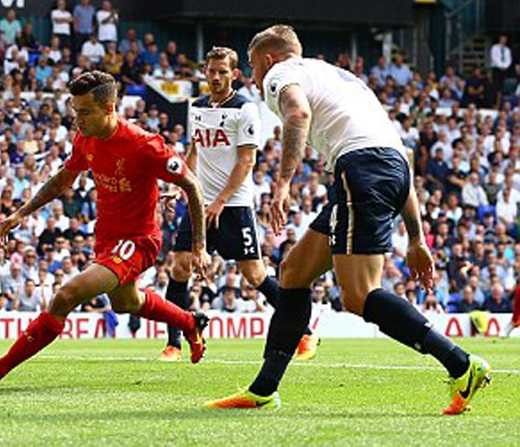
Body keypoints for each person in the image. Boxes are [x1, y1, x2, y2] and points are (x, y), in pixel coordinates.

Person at [206, 25, 490, 415]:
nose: (254, 78)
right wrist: (417, 237)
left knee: (358, 294)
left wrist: (284, 182)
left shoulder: (281, 74)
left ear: (268, 59)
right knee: (292, 273)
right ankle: (263, 389)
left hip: (361, 171)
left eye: (253, 67)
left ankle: (462, 364)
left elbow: (298, 113)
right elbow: (396, 157)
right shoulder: (340, 78)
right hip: (384, 169)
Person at [0, 71, 210, 390]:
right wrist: (22, 213)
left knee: (65, 296)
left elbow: (192, 185)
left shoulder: (145, 145)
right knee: (125, 303)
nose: (78, 120)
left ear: (109, 108)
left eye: (85, 112)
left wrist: (199, 246)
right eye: (75, 111)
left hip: (137, 241)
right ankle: (191, 323)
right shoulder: (86, 138)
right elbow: (63, 179)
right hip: (106, 239)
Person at [159, 47, 318, 362]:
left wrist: (219, 201)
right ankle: (175, 343)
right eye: (211, 71)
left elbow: (246, 162)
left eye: (222, 71)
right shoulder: (197, 107)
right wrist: (180, 187)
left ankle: (305, 332)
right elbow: (195, 151)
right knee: (178, 267)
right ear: (205, 72)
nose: (216, 77)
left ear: (233, 74)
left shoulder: (245, 109)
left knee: (255, 275)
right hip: (199, 201)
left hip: (234, 205)